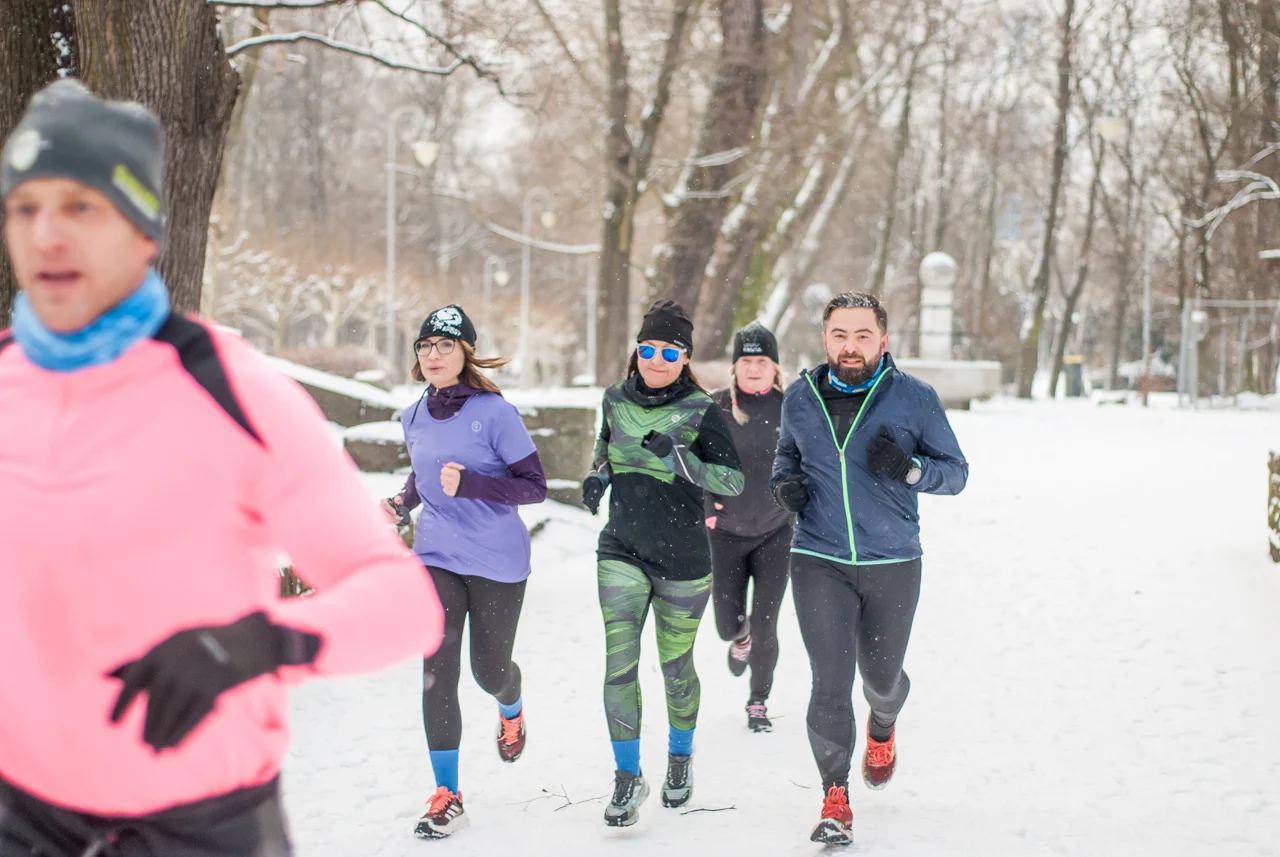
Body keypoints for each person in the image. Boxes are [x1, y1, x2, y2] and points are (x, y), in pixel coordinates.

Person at [0, 80, 444, 857]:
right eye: (24, 208)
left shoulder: (234, 393)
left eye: (80, 207)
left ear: (144, 233)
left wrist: (263, 642)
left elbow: (405, 602)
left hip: (201, 827)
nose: (47, 236)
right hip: (23, 816)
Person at [771, 291, 968, 846]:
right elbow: (785, 459)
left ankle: (883, 725)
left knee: (880, 681)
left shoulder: (915, 399)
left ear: (883, 340)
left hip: (894, 562)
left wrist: (909, 471)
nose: (850, 346)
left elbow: (956, 474)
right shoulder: (801, 399)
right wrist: (783, 487)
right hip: (818, 558)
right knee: (829, 684)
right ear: (825, 338)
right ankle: (835, 796)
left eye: (862, 335)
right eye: (840, 335)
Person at [380, 304, 547, 839]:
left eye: (444, 345)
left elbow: (534, 485)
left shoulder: (495, 413)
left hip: (497, 560)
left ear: (465, 354)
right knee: (437, 669)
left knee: (488, 671)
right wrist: (402, 503)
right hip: (436, 555)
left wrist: (474, 484)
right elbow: (425, 472)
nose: (433, 354)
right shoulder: (412, 415)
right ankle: (447, 795)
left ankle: (511, 701)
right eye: (425, 346)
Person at [580, 300, 744, 827]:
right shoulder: (612, 399)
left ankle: (679, 758)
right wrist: (597, 477)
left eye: (668, 351)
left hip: (683, 559)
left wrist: (681, 459)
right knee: (619, 665)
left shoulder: (702, 409)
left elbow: (733, 482)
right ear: (637, 350)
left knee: (675, 668)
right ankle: (627, 777)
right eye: (647, 348)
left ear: (684, 356)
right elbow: (606, 448)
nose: (656, 358)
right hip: (621, 548)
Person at [704, 321, 793, 733]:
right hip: (725, 532)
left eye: (761, 361)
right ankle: (739, 639)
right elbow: (695, 463)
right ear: (734, 367)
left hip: (777, 530)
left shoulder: (792, 407)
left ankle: (758, 700)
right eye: (746, 361)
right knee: (727, 624)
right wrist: (707, 507)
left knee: (766, 622)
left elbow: (810, 463)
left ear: (774, 367)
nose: (754, 368)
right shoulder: (716, 407)